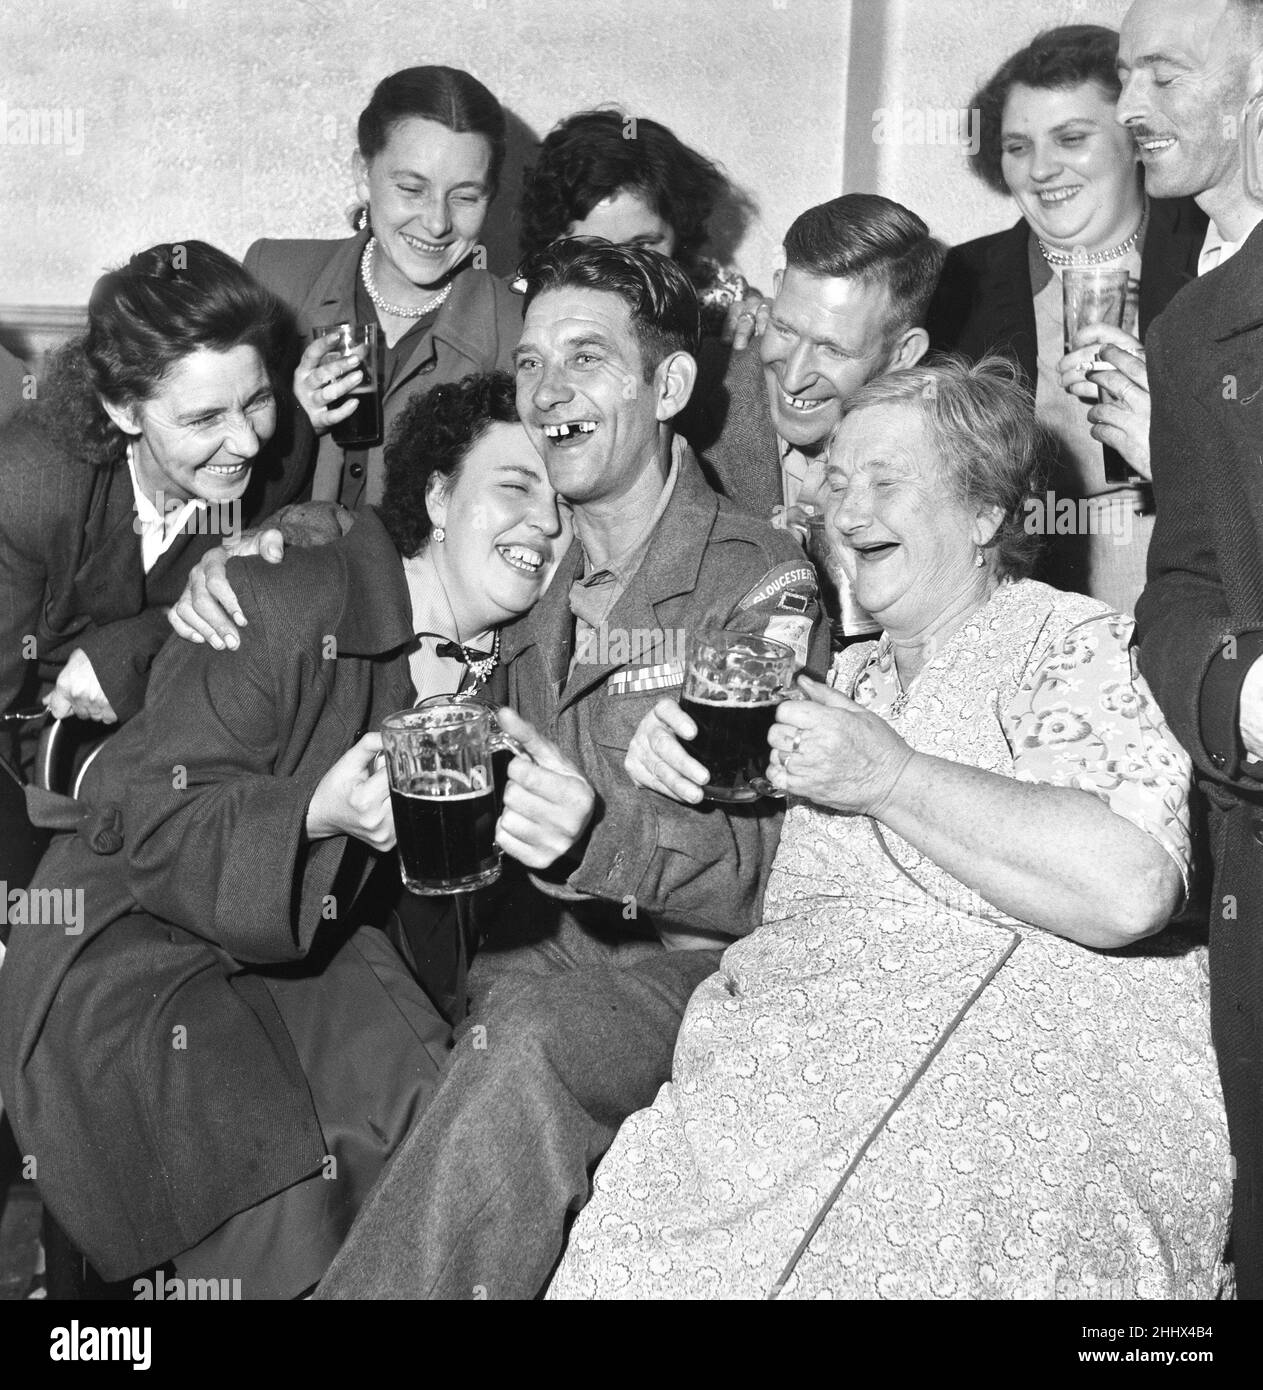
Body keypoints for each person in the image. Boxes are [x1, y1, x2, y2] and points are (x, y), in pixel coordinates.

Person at [547, 356, 1231, 1300]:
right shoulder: (844, 684)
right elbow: (755, 883)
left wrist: (892, 777)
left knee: (900, 1226)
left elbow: (1130, 888)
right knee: (637, 1233)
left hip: (1014, 1078)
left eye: (885, 481)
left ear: (987, 514)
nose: (848, 510)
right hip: (786, 1072)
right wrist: (683, 776)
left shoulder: (1073, 642)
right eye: (835, 482)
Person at [313, 239, 829, 1301]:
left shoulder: (756, 579)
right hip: (505, 956)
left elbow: (779, 865)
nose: (548, 391)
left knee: (525, 1043)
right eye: (533, 362)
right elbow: (375, 549)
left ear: (670, 386)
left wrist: (603, 839)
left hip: (694, 970)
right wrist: (265, 541)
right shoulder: (525, 550)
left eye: (586, 358)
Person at [0, 372, 591, 1298]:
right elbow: (152, 818)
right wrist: (312, 815)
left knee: (440, 1128)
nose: (542, 525)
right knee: (278, 1164)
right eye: (514, 487)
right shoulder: (284, 595)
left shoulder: (502, 672)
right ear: (437, 498)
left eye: (562, 506)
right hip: (135, 945)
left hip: (309, 949)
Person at [1133, 2, 1263, 1301]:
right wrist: (1239, 689)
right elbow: (1175, 586)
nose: (1131, 102)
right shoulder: (1190, 326)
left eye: (1161, 71)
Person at [0, 240, 306, 782]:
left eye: (257, 400)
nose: (248, 444)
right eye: (204, 418)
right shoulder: (29, 485)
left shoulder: (283, 452)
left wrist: (136, 646)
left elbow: (267, 614)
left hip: (186, 761)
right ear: (124, 408)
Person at [926, 25, 1207, 612]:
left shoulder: (1218, 259)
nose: (1041, 169)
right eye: (1018, 146)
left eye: (1071, 138)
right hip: (1028, 625)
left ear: (1136, 139)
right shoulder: (959, 284)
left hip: (1200, 604)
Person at [246, 65, 522, 511]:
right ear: (362, 173)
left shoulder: (520, 327)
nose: (436, 223)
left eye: (466, 197)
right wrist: (288, 420)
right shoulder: (271, 278)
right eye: (412, 188)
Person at [693, 194, 942, 646]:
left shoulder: (951, 461)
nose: (792, 376)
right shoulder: (693, 412)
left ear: (903, 355)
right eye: (785, 329)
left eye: (832, 349)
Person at [519, 107, 762, 347]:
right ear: (551, 240)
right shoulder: (508, 307)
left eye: (642, 245)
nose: (621, 268)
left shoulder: (718, 303)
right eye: (593, 248)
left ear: (679, 232)